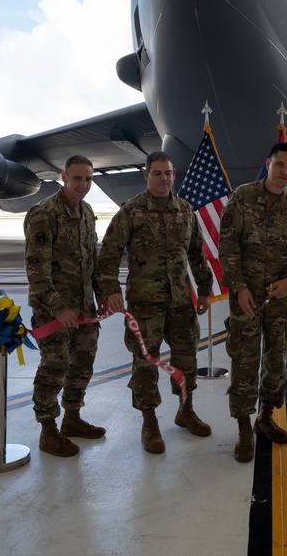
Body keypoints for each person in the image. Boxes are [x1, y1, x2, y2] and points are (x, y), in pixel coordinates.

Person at [97, 151, 214, 454]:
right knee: (146, 363)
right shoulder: (132, 212)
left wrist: (203, 289)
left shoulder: (185, 210)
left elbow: (197, 254)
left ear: (175, 175)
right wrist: (110, 289)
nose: (164, 179)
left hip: (180, 302)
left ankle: (185, 410)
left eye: (169, 173)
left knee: (187, 359)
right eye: (158, 173)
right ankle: (149, 421)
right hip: (144, 305)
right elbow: (109, 253)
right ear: (146, 175)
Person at [218, 142, 287, 463]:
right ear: (268, 163)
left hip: (279, 301)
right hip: (246, 299)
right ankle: (245, 428)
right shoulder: (243, 198)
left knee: (277, 361)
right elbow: (228, 245)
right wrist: (240, 286)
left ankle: (265, 417)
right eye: (280, 165)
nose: (285, 172)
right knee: (244, 362)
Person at [24, 155, 107, 457]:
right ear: (64, 178)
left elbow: (92, 262)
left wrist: (101, 295)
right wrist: (59, 308)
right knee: (54, 368)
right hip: (54, 313)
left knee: (83, 365)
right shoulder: (45, 215)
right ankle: (48, 431)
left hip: (84, 310)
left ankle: (72, 419)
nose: (83, 185)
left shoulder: (86, 212)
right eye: (77, 179)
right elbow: (36, 270)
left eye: (88, 179)